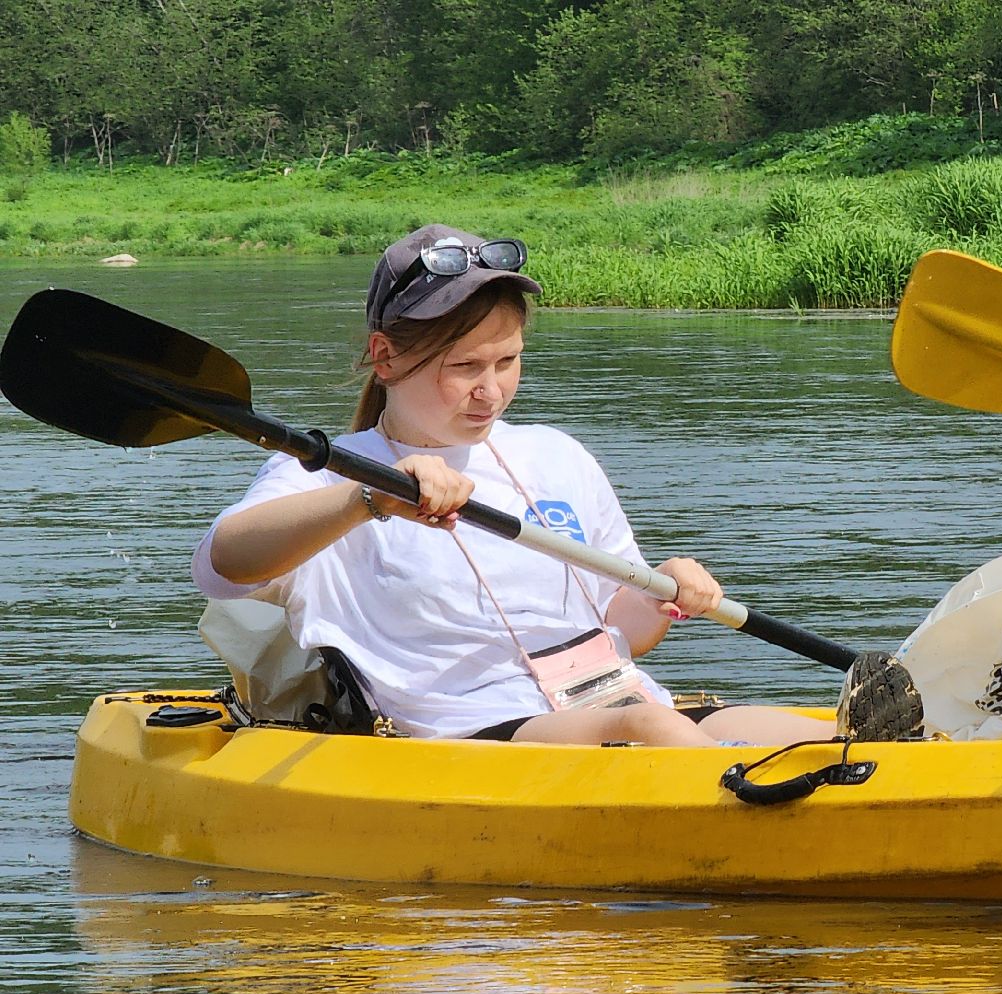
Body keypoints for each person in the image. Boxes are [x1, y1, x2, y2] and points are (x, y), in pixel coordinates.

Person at [191, 223, 842, 746]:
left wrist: (663, 594)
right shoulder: (336, 468)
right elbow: (222, 567)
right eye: (465, 366)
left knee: (843, 734)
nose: (491, 389)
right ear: (386, 357)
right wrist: (367, 500)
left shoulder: (556, 455)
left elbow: (620, 630)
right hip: (477, 733)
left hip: (614, 699)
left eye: (508, 361)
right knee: (647, 729)